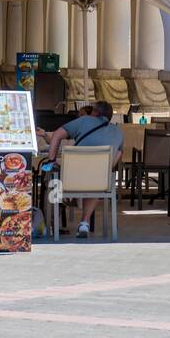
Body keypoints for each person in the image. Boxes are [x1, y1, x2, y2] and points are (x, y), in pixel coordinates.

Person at [47, 100, 122, 239]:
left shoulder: (84, 121)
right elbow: (118, 154)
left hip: (70, 180)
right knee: (96, 179)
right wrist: (105, 170)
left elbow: (57, 135)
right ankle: (84, 222)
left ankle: (51, 224)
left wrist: (51, 160)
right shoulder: (118, 132)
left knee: (52, 178)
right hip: (98, 182)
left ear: (95, 113)